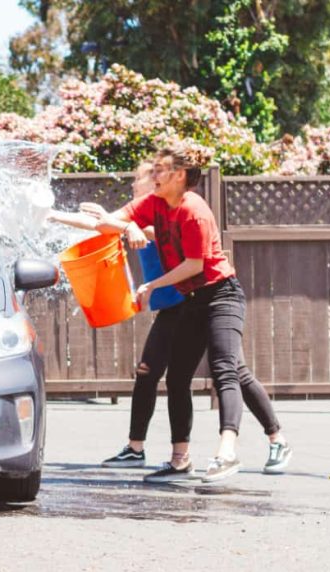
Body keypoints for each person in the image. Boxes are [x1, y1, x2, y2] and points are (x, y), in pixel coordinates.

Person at [83, 145, 292, 483]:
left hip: (221, 295)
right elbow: (113, 223)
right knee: (178, 378)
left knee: (226, 368)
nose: (154, 176)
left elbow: (193, 265)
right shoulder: (154, 203)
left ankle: (228, 451)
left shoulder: (194, 210)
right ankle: (180, 459)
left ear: (179, 175)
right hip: (191, 301)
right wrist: (106, 223)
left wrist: (152, 285)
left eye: (160, 170)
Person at [49, 161, 203, 482]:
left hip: (191, 306)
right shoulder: (141, 212)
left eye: (139, 181)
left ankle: (272, 436)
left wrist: (122, 226)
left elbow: (154, 234)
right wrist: (52, 215)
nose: (133, 186)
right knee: (149, 374)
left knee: (216, 376)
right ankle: (136, 448)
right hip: (171, 308)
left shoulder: (167, 214)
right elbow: (100, 225)